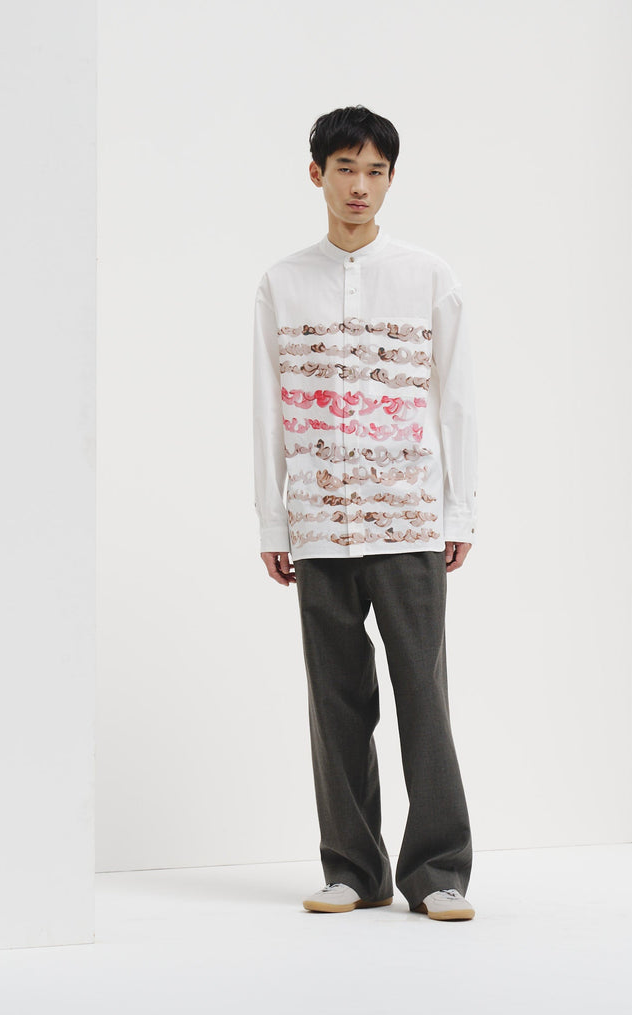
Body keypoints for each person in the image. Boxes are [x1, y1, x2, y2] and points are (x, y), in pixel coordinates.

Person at [252, 105, 477, 922]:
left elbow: (456, 398)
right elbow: (268, 407)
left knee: (423, 697)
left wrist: (459, 511)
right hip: (318, 523)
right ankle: (354, 868)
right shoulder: (282, 283)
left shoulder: (428, 276)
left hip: (409, 521)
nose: (360, 186)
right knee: (336, 701)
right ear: (317, 174)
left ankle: (439, 871)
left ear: (390, 179)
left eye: (375, 171)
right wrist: (274, 521)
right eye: (345, 169)